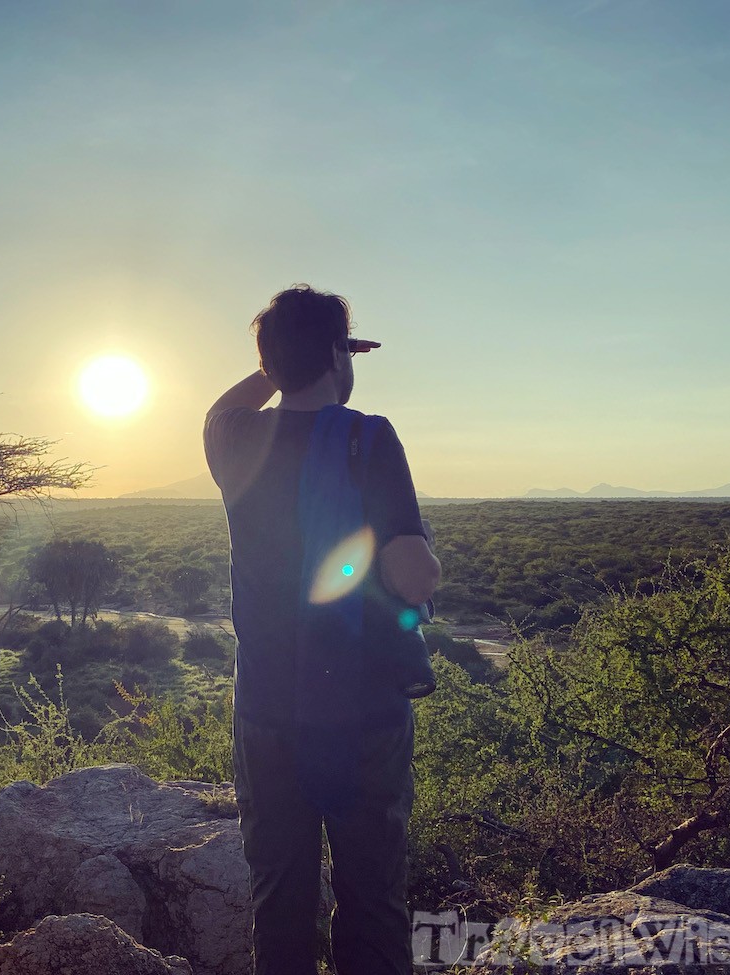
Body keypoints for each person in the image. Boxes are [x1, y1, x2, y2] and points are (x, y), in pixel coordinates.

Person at [203, 285, 441, 975]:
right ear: (341, 354)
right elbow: (413, 576)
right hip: (364, 709)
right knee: (372, 894)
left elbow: (222, 407)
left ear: (270, 362)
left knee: (279, 895)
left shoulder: (234, 439)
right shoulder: (369, 437)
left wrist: (281, 362)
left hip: (268, 707)